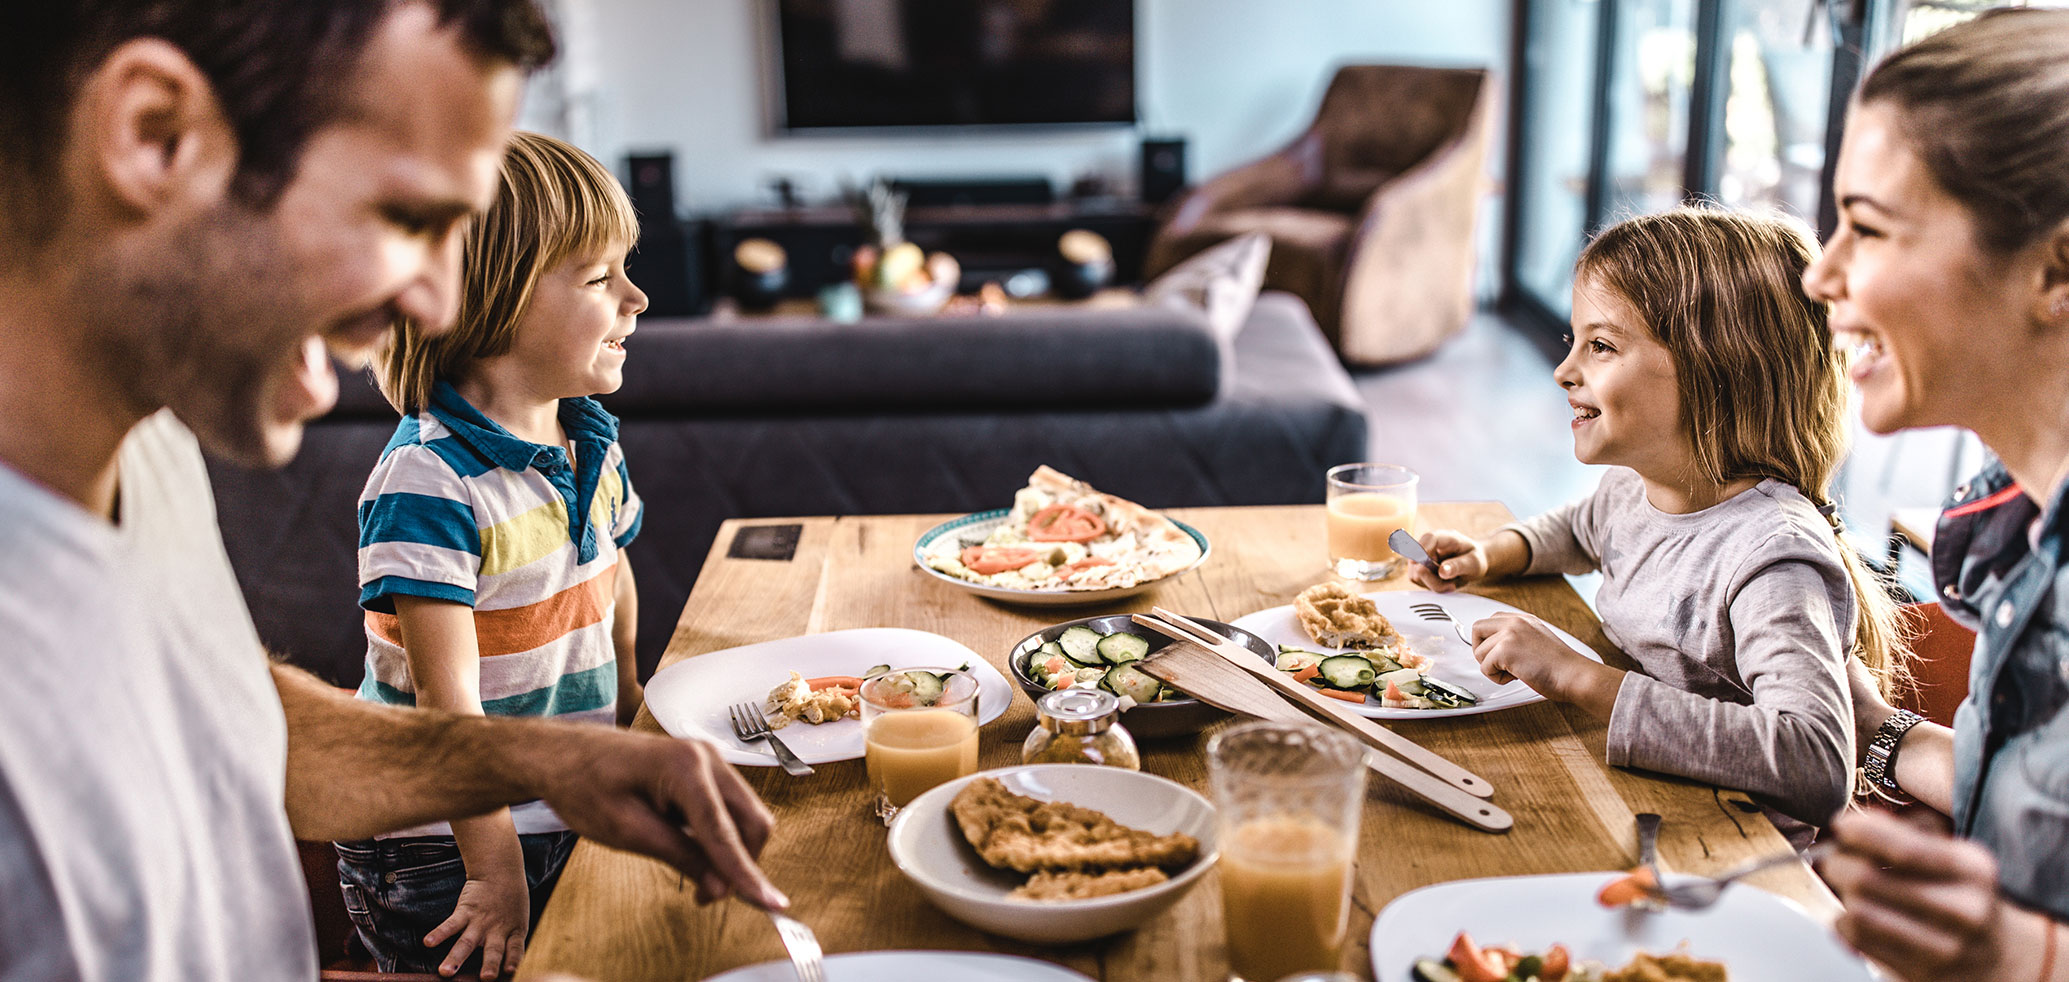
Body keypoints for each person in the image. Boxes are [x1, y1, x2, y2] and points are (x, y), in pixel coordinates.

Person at [0, 3, 783, 979]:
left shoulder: (146, 436)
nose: (441, 304)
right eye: (404, 215)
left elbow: (223, 713)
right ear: (156, 136)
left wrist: (549, 761)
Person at [1408, 207, 1906, 845]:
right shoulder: (1634, 488)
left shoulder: (1771, 556)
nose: (1564, 373)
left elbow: (1814, 763)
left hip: (1725, 851)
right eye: (1574, 342)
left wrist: (1580, 678)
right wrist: (1491, 555)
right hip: (1630, 797)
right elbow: (1581, 529)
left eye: (1602, 346)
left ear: (1717, 371)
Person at [336, 131, 650, 978]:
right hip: (446, 846)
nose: (637, 298)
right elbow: (448, 702)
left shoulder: (586, 435)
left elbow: (608, 576)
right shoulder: (429, 479)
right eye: (598, 278)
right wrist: (493, 865)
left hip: (557, 803)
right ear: (492, 300)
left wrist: (629, 707)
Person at [1800, 10, 2069, 980]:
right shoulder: (2017, 523)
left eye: (1864, 227)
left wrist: (2022, 955)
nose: (1816, 270)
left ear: (2055, 265)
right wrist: (1876, 729)